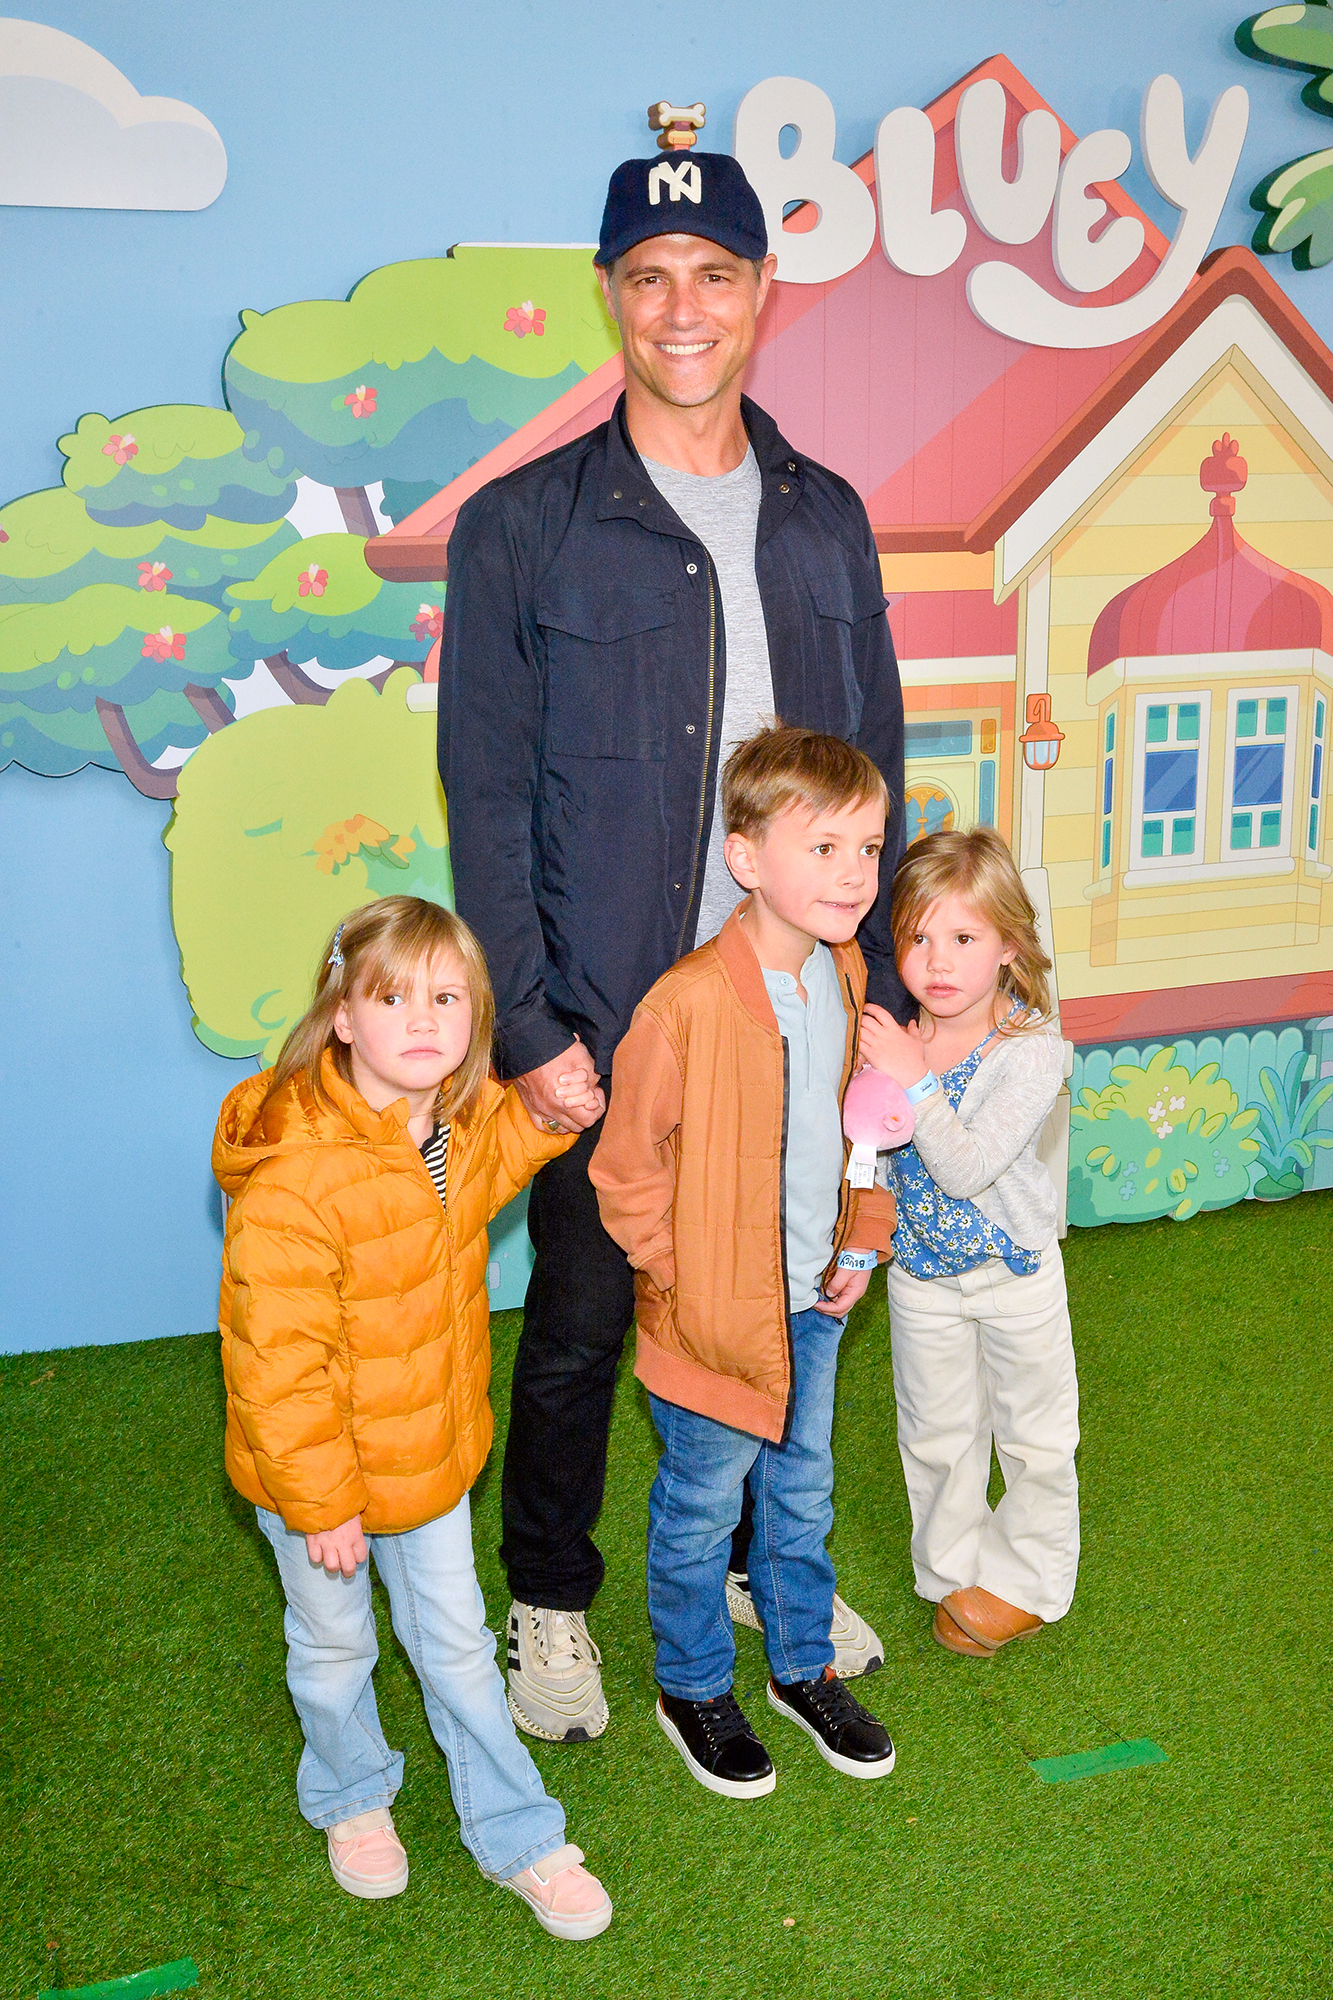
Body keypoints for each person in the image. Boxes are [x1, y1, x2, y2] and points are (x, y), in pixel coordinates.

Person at [438, 146, 907, 1741]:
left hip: (802, 1014)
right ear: (611, 296)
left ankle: (758, 1575)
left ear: (762, 292)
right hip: (616, 1021)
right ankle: (550, 1601)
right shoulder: (525, 524)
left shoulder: (827, 516)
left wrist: (877, 988)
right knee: (581, 1326)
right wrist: (532, 1030)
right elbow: (487, 792)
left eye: (713, 273)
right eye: (649, 276)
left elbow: (877, 765)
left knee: (785, 1300)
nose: (681, 306)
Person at [211, 896, 613, 1939]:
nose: (424, 1019)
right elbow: (276, 1364)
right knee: (333, 1647)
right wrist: (321, 1501)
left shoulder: (444, 1124)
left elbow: (480, 1174)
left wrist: (545, 1117)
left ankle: (518, 1832)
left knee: (459, 1649)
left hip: (425, 1455)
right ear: (342, 1016)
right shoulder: (297, 1172)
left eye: (447, 997)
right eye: (393, 998)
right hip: (320, 1483)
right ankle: (351, 1793)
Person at [589, 725, 898, 1795]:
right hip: (711, 1322)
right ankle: (692, 1686)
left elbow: (863, 1124)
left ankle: (802, 1667)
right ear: (745, 856)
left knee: (800, 1498)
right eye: (824, 848)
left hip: (814, 1301)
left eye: (868, 848)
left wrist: (862, 1235)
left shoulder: (847, 972)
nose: (853, 874)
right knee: (700, 1508)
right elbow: (625, 1168)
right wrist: (675, 1280)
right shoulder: (682, 1004)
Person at [857, 828, 1079, 1657]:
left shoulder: (1031, 1051)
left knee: (1035, 1438)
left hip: (1014, 1275)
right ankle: (950, 1572)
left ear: (1009, 947)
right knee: (935, 1436)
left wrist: (911, 1077)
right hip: (921, 1280)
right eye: (917, 938)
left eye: (962, 938)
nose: (937, 962)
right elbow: (868, 1155)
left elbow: (966, 1168)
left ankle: (1031, 1582)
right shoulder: (891, 1041)